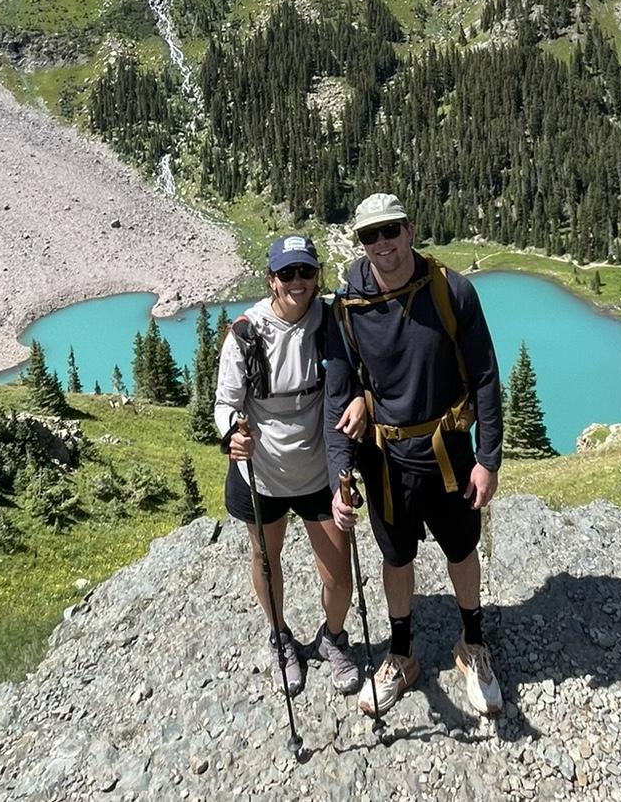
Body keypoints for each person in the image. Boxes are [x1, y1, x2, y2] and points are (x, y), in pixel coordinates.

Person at [325, 192, 504, 718]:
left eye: (391, 231)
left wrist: (488, 458)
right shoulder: (349, 307)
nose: (382, 244)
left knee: (461, 548)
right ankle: (402, 656)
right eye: (369, 235)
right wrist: (341, 471)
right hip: (385, 461)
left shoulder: (452, 291)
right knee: (395, 556)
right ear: (361, 242)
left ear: (409, 230)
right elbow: (340, 392)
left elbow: (487, 376)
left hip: (448, 451)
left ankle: (472, 644)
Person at [215, 233, 365, 697]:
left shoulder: (334, 321)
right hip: (260, 473)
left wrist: (362, 398)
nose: (298, 281)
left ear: (316, 275)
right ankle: (280, 636)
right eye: (287, 273)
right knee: (265, 559)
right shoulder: (246, 333)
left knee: (339, 574)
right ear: (271, 280)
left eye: (306, 271)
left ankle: (333, 638)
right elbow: (225, 403)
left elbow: (364, 371)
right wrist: (231, 436)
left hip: (320, 470)